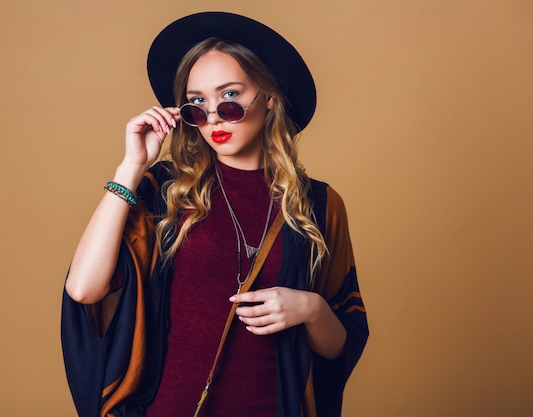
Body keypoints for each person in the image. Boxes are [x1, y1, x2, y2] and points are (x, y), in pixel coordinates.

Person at [62, 11, 368, 417]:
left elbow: (341, 343)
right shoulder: (165, 190)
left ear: (269, 98)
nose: (213, 118)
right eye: (197, 104)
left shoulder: (320, 205)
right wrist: (130, 169)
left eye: (230, 97)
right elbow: (84, 290)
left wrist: (310, 308)